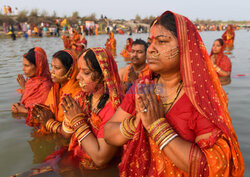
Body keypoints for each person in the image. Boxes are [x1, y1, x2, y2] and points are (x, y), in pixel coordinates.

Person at [104, 11, 244, 177]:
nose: (151, 50)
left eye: (162, 41)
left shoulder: (199, 98)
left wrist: (157, 127)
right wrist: (137, 122)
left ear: (185, 46)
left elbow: (215, 168)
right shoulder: (142, 87)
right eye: (150, 42)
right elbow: (108, 133)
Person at [32, 48, 123, 175]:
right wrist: (49, 123)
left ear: (103, 75)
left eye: (85, 72)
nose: (78, 76)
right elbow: (67, 132)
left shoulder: (114, 109)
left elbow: (100, 158)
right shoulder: (81, 98)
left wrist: (78, 120)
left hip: (96, 171)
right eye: (79, 70)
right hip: (74, 158)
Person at [32, 50, 81, 130]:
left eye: (57, 68)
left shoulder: (76, 93)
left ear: (70, 70)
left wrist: (49, 122)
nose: (52, 71)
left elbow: (71, 129)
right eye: (52, 67)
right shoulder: (55, 88)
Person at [11, 47, 52, 126]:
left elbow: (46, 114)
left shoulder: (45, 86)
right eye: (23, 65)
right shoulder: (31, 81)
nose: (23, 69)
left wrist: (23, 111)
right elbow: (27, 100)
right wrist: (18, 105)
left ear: (38, 67)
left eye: (27, 65)